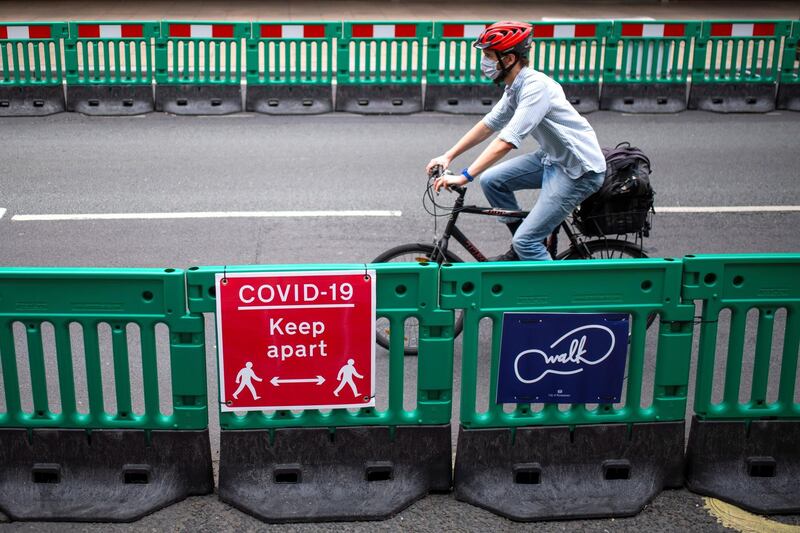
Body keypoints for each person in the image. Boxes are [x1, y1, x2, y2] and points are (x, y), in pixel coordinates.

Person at [427, 21, 607, 261]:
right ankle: (525, 252)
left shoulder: (536, 88)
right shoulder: (515, 86)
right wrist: (448, 155)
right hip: (551, 158)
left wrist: (464, 176)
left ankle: (552, 291)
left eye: (489, 56)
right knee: (492, 181)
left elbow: (506, 141)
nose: (485, 62)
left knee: (526, 241)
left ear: (509, 59)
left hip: (577, 170)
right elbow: (489, 124)